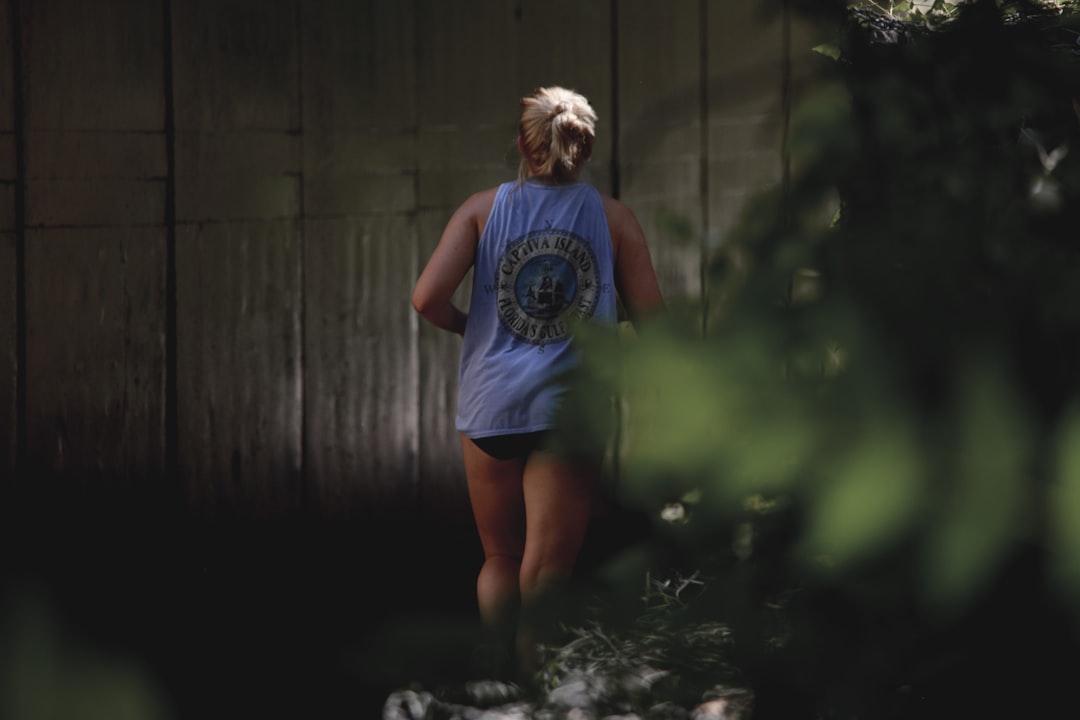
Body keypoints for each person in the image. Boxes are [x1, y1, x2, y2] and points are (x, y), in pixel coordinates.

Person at [411, 85, 665, 678]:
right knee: (548, 570)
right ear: (587, 148)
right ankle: (534, 687)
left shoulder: (480, 209)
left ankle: (498, 675)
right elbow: (655, 324)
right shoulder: (614, 218)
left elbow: (426, 299)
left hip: (491, 403)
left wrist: (474, 329)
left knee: (499, 556)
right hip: (568, 411)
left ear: (523, 145)